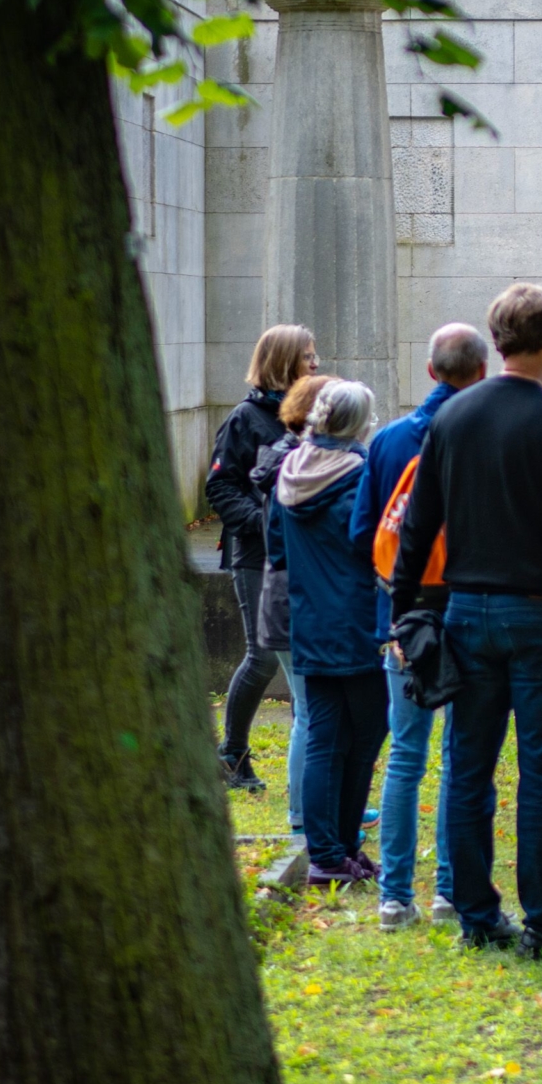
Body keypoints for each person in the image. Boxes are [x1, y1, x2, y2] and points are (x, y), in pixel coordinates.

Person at [391, 282, 542, 964]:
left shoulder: (451, 420)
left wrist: (406, 614)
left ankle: (478, 916)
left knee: (467, 768)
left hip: (466, 609)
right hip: (541, 615)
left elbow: (417, 527)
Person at [350, 323, 488, 930]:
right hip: (468, 614)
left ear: (431, 371)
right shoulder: (485, 436)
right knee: (461, 757)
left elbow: (363, 536)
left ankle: (394, 896)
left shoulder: (388, 441)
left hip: (404, 620)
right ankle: (449, 891)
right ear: (480, 372)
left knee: (406, 755)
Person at [268, 379, 385, 889]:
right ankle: (340, 846)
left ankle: (327, 853)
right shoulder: (360, 477)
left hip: (310, 621)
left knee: (323, 737)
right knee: (365, 736)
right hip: (356, 622)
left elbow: (276, 549)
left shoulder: (288, 473)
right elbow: (374, 548)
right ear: (360, 425)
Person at [206, 323, 317, 790]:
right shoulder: (244, 419)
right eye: (308, 356)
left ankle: (305, 745)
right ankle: (230, 754)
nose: (315, 363)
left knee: (296, 654)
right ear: (284, 362)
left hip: (302, 556)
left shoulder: (308, 416)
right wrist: (265, 521)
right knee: (263, 655)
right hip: (255, 555)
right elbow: (220, 487)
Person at [252, 369, 332, 848]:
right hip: (294, 602)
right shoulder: (299, 468)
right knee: (308, 712)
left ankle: (314, 805)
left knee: (312, 711)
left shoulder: (289, 462)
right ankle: (302, 813)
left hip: (288, 599)